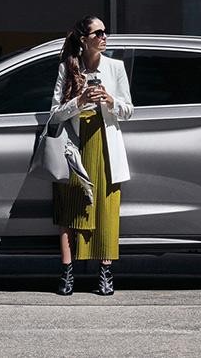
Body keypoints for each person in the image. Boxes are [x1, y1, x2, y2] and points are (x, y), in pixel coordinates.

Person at [48, 16, 133, 295]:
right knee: (70, 210)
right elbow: (54, 114)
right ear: (84, 40)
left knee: (106, 210)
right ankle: (67, 273)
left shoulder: (115, 68)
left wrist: (110, 100)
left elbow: (129, 111)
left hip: (105, 144)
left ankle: (105, 274)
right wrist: (80, 101)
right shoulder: (68, 68)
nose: (104, 37)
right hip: (74, 146)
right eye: (98, 33)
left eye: (105, 32)